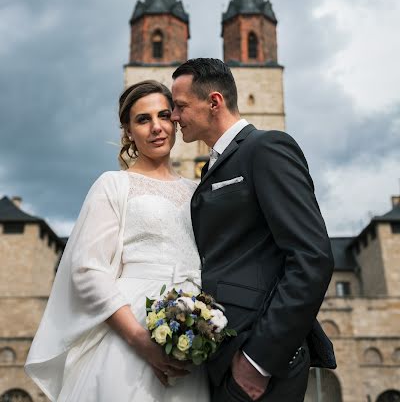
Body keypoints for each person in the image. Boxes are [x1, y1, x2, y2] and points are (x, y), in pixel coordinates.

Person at [25, 80, 210, 402]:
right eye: (143, 119)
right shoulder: (114, 185)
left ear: (176, 121)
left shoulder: (198, 191)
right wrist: (139, 339)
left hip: (190, 329)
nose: (156, 127)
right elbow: (88, 269)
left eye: (164, 115)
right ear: (128, 131)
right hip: (131, 326)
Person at [171, 58, 336, 402]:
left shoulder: (267, 148)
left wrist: (259, 360)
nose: (173, 117)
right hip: (223, 353)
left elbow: (312, 258)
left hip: (258, 356)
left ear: (213, 102)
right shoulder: (214, 165)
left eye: (180, 106)